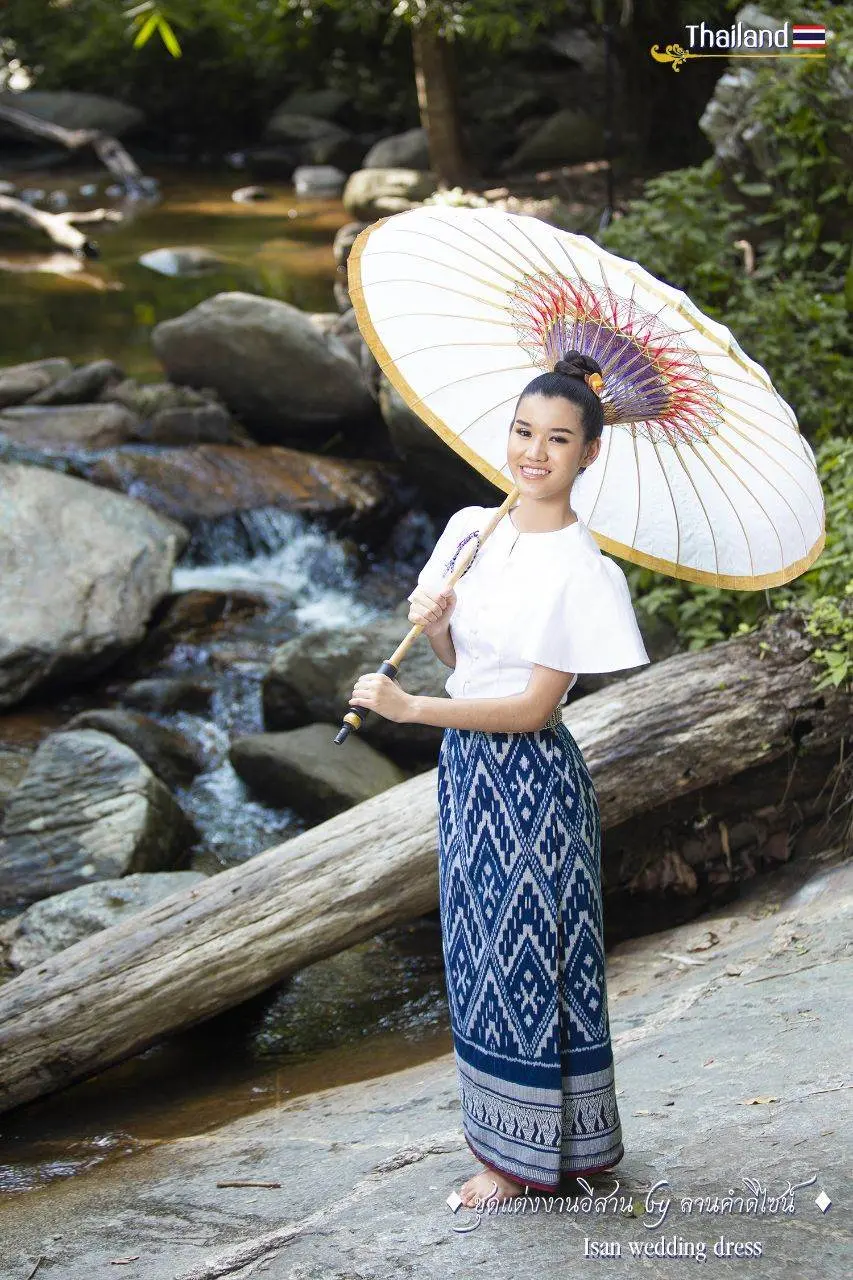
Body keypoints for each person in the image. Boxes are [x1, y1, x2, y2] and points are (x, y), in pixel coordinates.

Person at [348, 350, 650, 1208]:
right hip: (467, 775)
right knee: (478, 957)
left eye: (557, 439)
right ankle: (526, 1144)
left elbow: (529, 709)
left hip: (532, 786)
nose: (533, 452)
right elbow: (467, 669)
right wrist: (439, 626)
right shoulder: (470, 531)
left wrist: (409, 712)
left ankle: (525, 1161)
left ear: (587, 454)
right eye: (523, 432)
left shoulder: (584, 571)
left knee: (533, 957)